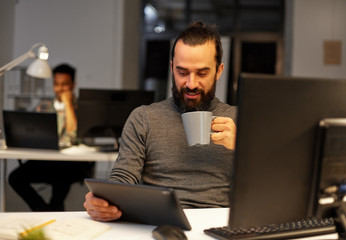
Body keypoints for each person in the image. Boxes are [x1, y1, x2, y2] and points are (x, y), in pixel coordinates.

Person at [84, 21, 237, 221]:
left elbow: (270, 187)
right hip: (158, 222)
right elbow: (123, 178)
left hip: (219, 224)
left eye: (202, 73)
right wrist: (103, 201)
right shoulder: (144, 118)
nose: (191, 84)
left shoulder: (239, 120)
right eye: (182, 72)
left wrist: (244, 148)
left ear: (218, 71)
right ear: (172, 68)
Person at [8, 63, 94, 211]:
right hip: (47, 158)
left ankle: (53, 210)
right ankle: (43, 211)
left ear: (73, 84)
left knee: (61, 179)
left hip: (72, 163)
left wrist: (67, 102)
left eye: (65, 84)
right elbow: (32, 130)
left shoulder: (83, 107)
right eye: (56, 84)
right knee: (15, 178)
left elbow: (73, 133)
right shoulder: (44, 105)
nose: (60, 88)